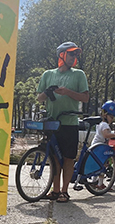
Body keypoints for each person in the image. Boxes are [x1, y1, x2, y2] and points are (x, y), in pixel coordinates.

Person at [37, 41, 89, 203]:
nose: (74, 57)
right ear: (62, 55)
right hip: (52, 123)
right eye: (71, 53)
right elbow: (39, 98)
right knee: (54, 158)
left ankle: (65, 192)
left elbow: (85, 97)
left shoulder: (79, 74)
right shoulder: (48, 74)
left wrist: (68, 92)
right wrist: (47, 92)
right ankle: (55, 190)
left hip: (69, 123)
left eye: (76, 54)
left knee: (68, 158)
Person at [90, 100, 115, 190]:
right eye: (111, 116)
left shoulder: (102, 124)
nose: (111, 119)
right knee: (102, 164)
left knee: (101, 165)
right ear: (105, 115)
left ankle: (96, 182)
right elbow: (106, 135)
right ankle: (97, 183)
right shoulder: (104, 125)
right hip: (98, 147)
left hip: (98, 147)